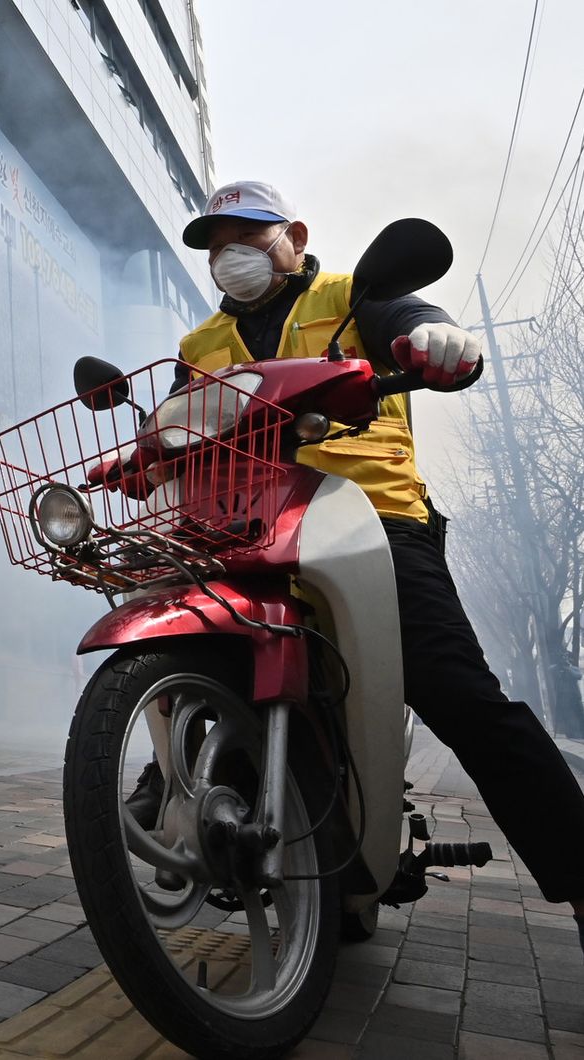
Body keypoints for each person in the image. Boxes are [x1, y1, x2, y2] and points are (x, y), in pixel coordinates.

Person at [161, 180, 584, 947]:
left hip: (372, 516)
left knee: (459, 694)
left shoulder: (352, 294)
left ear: (293, 234)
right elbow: (174, 428)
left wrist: (438, 337)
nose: (231, 258)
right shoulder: (199, 347)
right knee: (196, 657)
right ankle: (177, 797)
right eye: (217, 246)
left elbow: (412, 317)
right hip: (247, 531)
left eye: (247, 238)